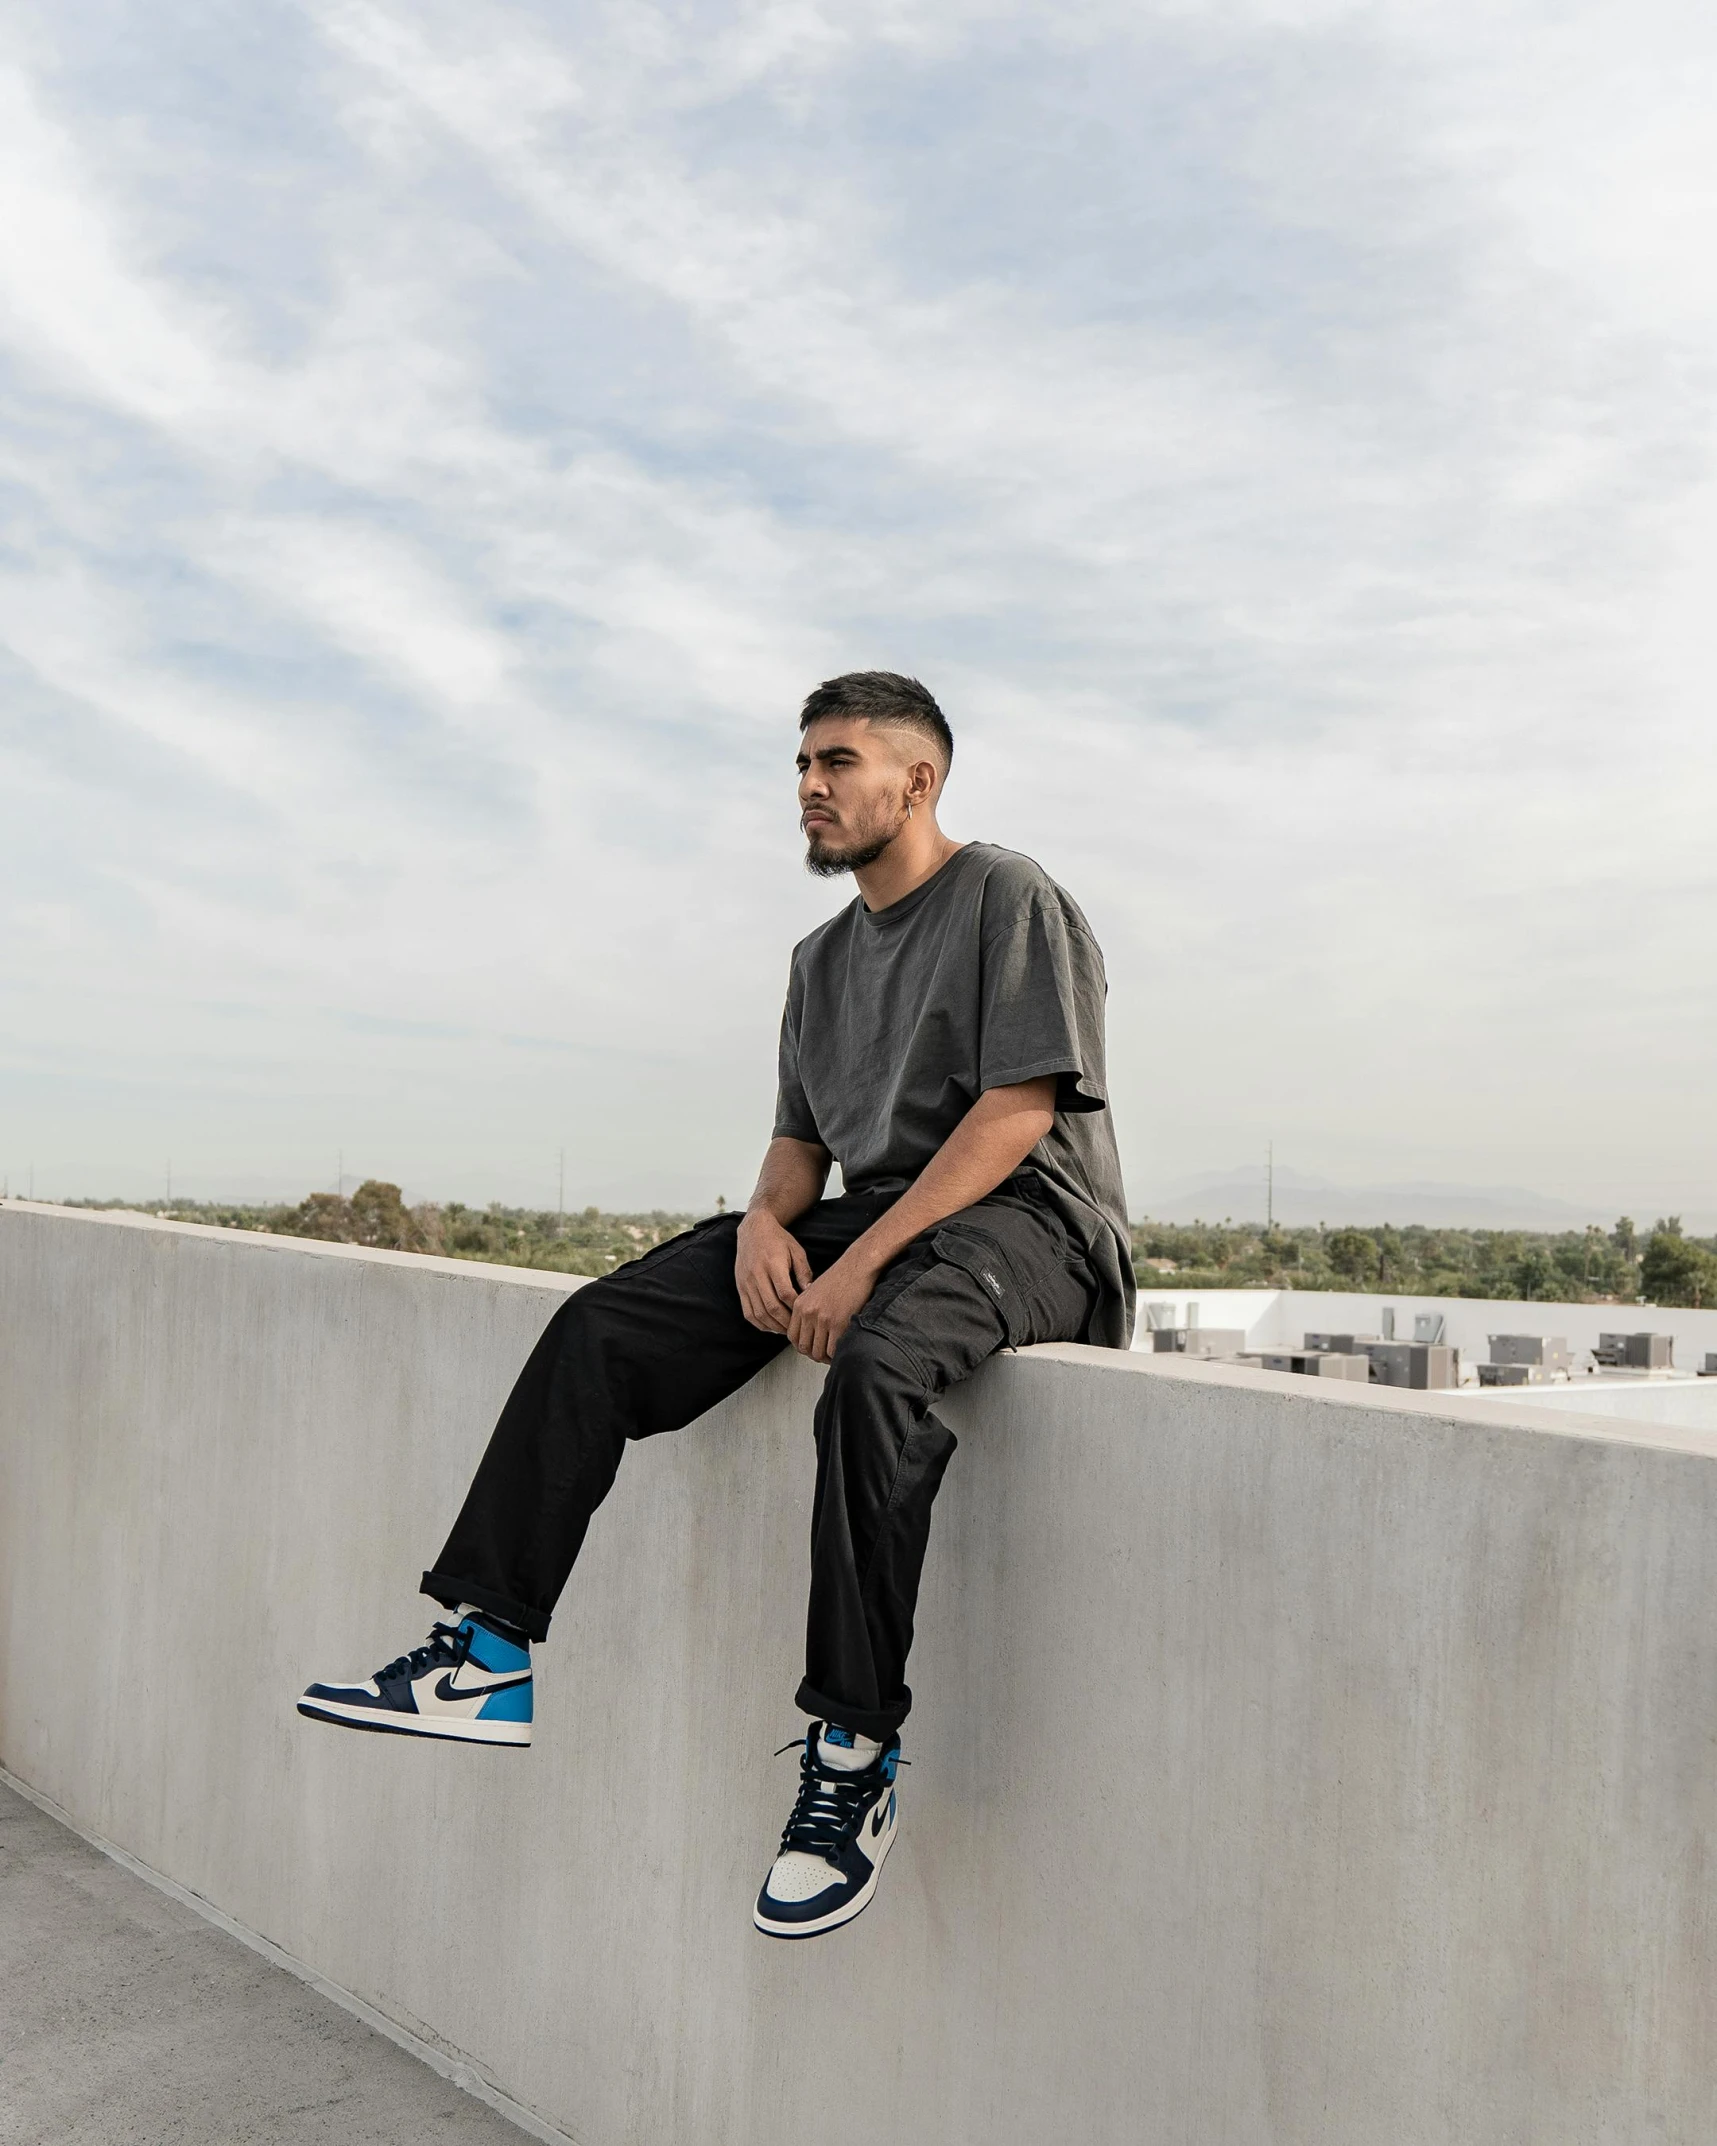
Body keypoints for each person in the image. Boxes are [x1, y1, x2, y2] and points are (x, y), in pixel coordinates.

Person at [299, 671, 1133, 1940]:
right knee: (601, 1325)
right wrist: (761, 1221)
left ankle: (852, 1754)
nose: (807, 786)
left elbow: (1016, 1112)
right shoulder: (819, 959)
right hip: (880, 1213)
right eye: (799, 763)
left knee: (876, 1367)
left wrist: (852, 1268)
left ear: (918, 780)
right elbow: (802, 1144)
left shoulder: (1005, 897)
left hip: (1033, 1220)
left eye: (836, 761)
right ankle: (488, 1653)